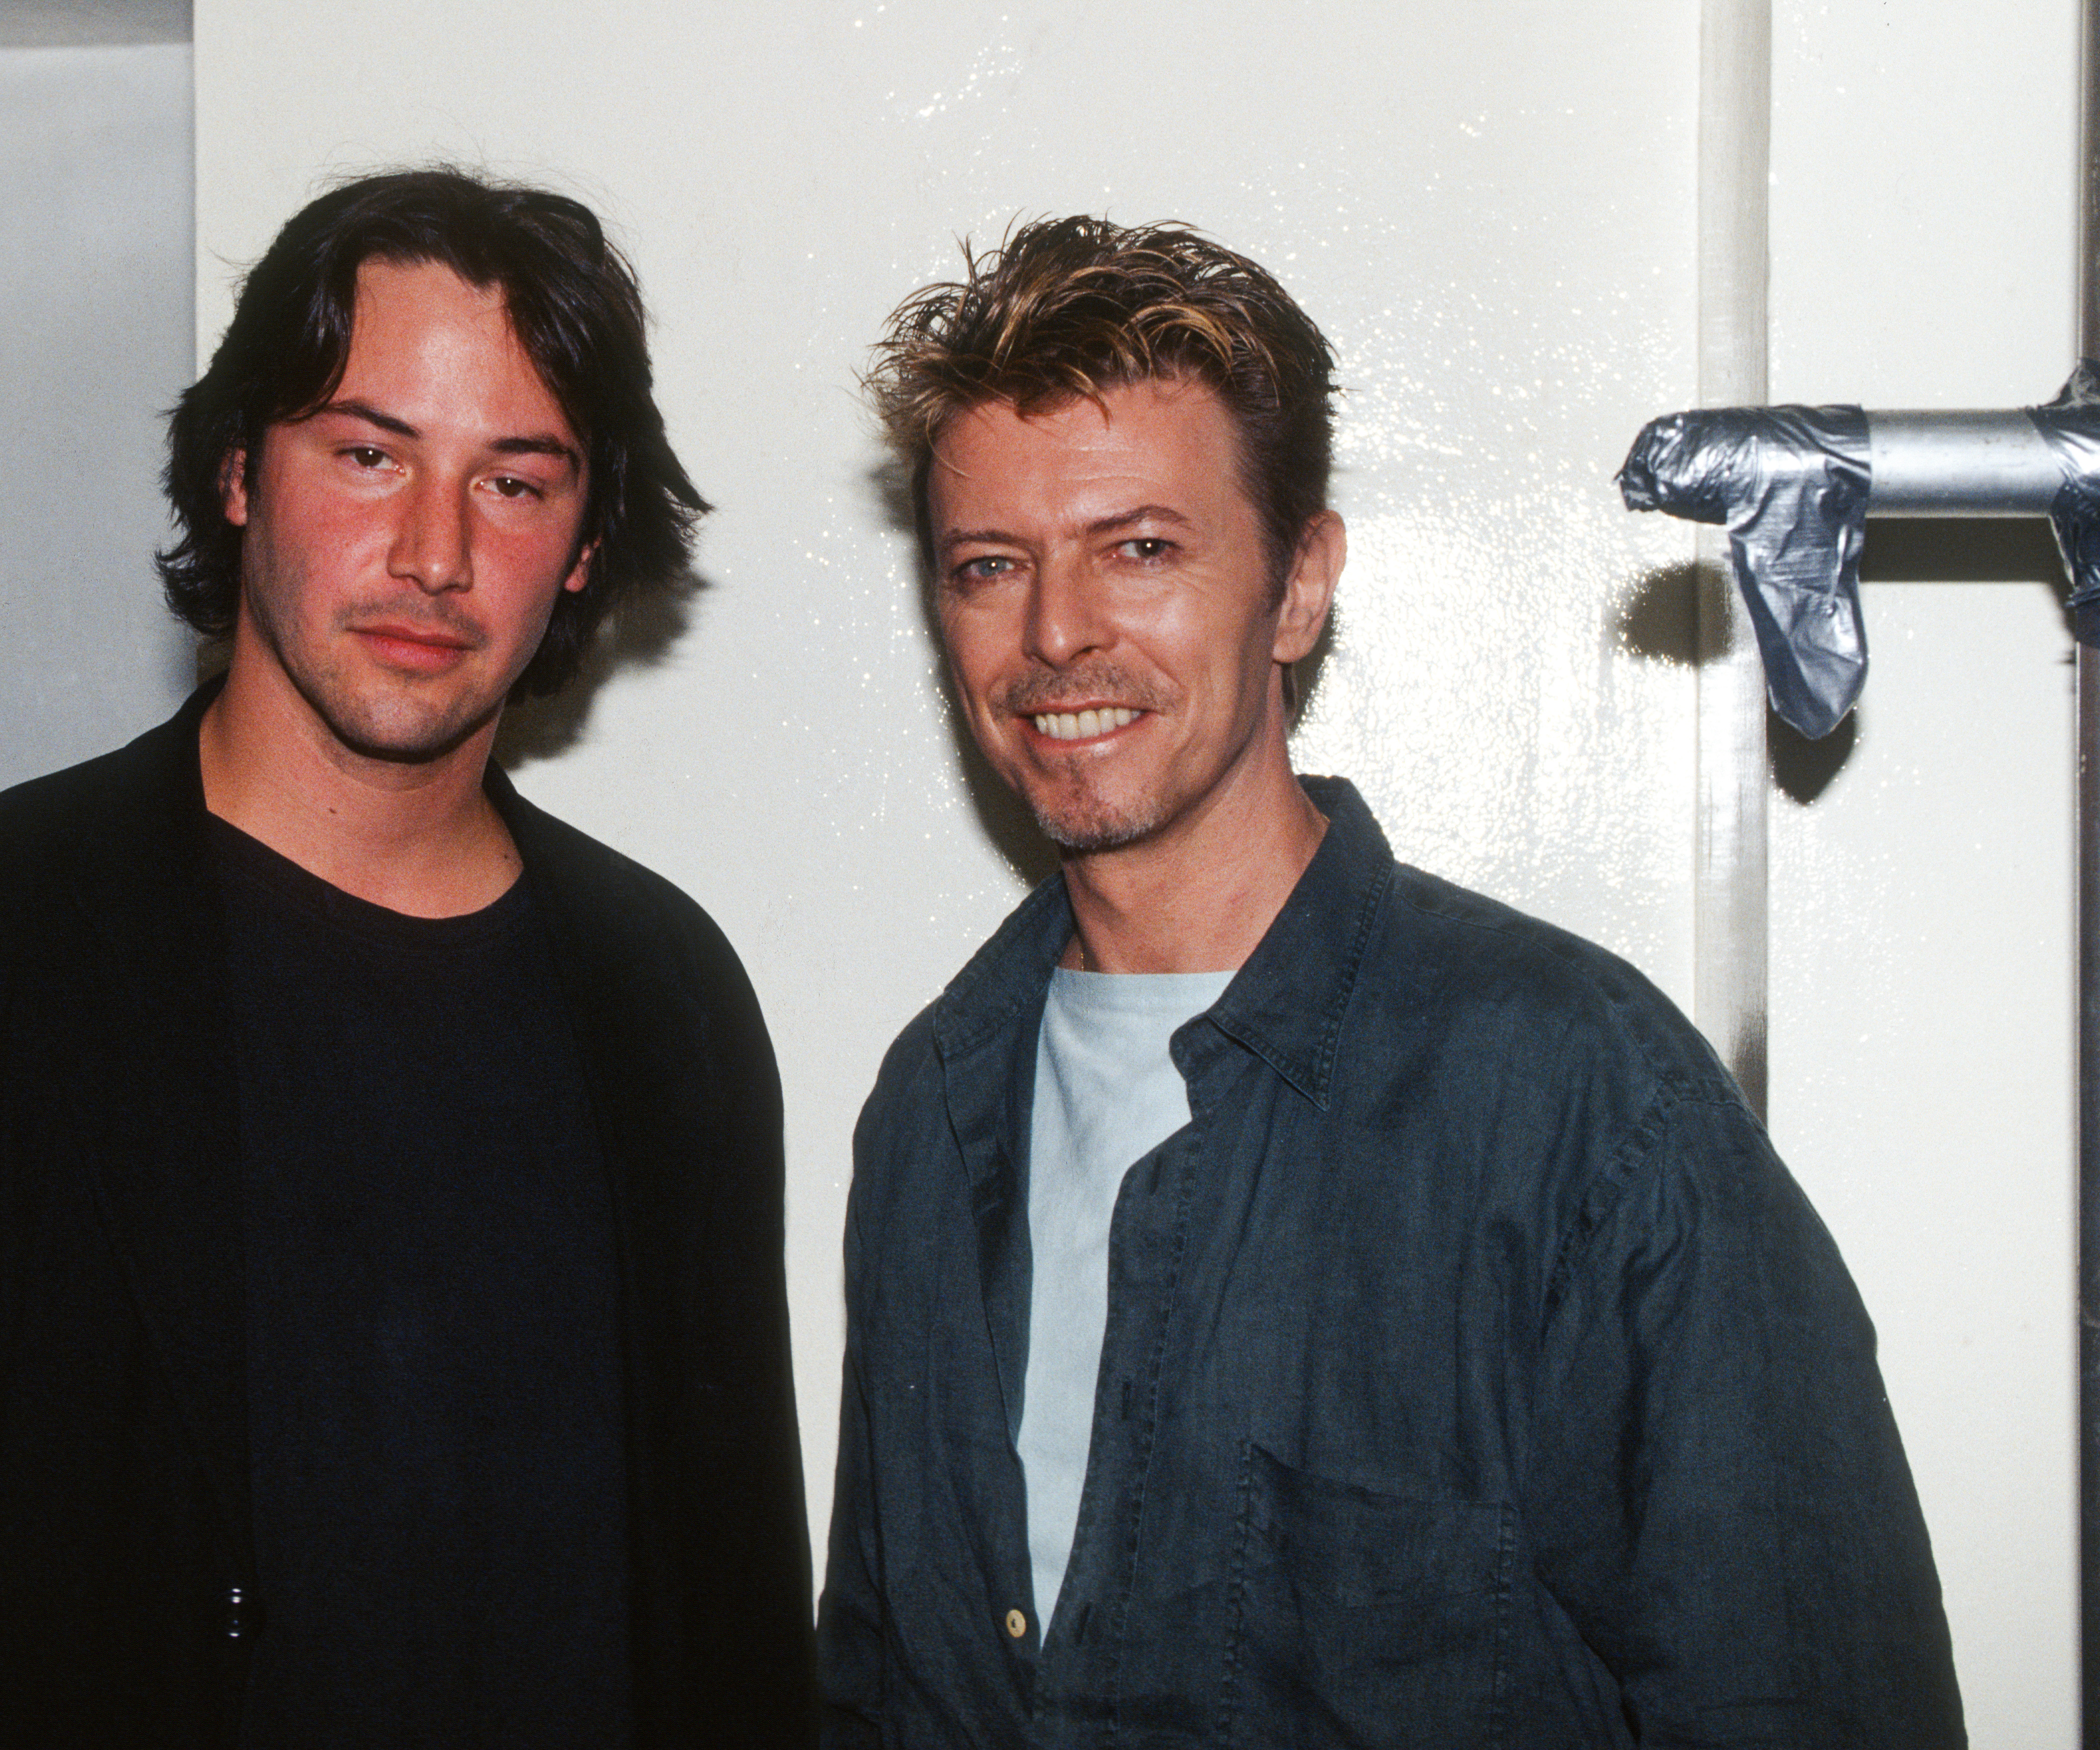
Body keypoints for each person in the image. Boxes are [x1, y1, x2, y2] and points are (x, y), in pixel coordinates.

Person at [0, 168, 813, 1749]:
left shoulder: (667, 1000)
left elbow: (729, 1634)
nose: (434, 552)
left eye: (514, 482)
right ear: (239, 473)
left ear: (585, 547)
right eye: (368, 455)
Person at [818, 216, 1964, 1748]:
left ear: (1299, 588)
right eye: (989, 566)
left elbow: (1812, 1699)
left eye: (1140, 548)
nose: (1057, 632)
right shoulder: (930, 1107)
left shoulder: (1579, 1099)